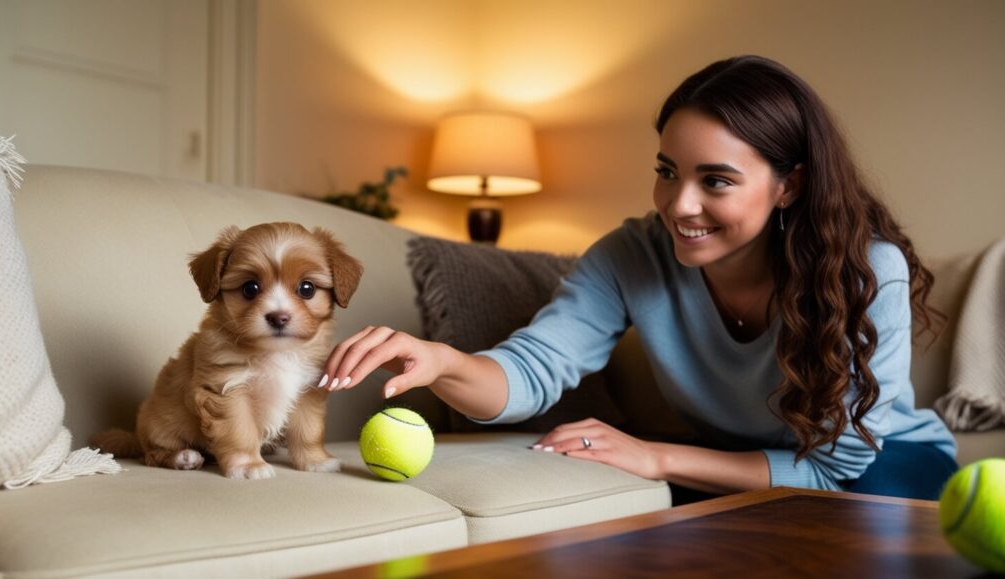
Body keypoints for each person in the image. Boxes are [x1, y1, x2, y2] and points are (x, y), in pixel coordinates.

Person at [321, 55, 957, 502]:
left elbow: (835, 468)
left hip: (883, 465)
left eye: (716, 180)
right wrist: (441, 362)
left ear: (789, 184)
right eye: (667, 170)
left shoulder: (867, 269)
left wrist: (657, 457)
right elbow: (534, 371)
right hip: (731, 464)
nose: (678, 205)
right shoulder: (631, 255)